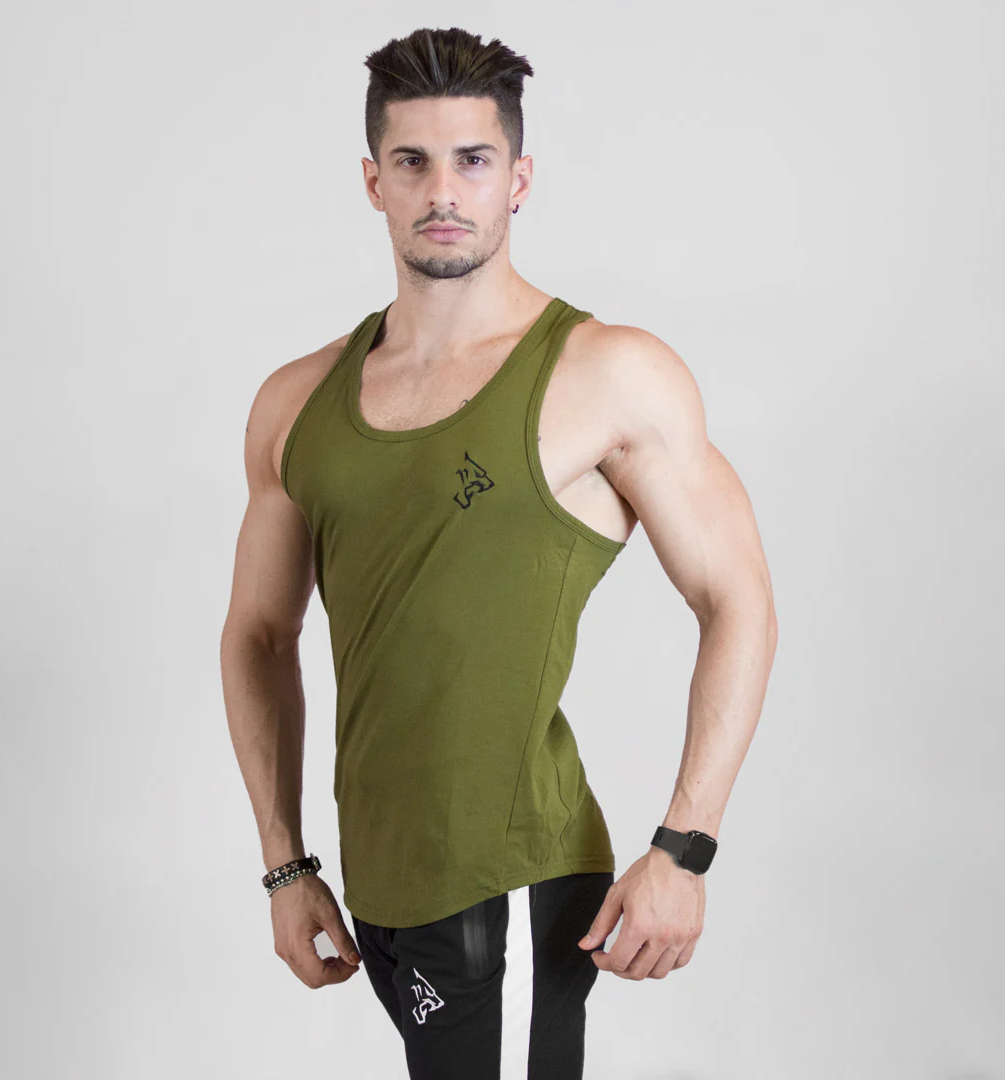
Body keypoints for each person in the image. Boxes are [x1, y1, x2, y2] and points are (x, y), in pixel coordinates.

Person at [220, 25, 778, 1080]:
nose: (444, 190)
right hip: (379, 889)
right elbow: (257, 633)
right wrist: (284, 864)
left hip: (510, 885)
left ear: (519, 179)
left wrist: (686, 847)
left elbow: (738, 599)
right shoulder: (297, 402)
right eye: (413, 161)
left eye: (473, 160)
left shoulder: (609, 375)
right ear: (373, 182)